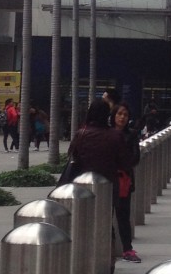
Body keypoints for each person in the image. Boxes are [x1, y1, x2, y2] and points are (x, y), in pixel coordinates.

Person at [69, 99, 132, 274]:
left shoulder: (81, 134)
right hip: (108, 188)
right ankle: (106, 264)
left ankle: (82, 262)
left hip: (82, 188)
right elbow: (126, 163)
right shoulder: (115, 136)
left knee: (83, 225)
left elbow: (73, 157)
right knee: (105, 225)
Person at [111, 102, 141, 263]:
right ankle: (108, 246)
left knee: (123, 215)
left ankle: (127, 249)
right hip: (107, 180)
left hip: (123, 180)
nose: (122, 117)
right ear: (113, 115)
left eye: (125, 115)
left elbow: (135, 158)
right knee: (105, 215)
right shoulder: (106, 133)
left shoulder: (132, 134)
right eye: (119, 114)